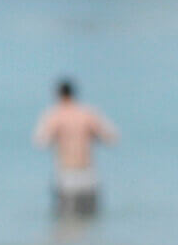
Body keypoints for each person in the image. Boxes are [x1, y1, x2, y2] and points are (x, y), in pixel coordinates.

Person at [31, 77, 117, 217]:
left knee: (66, 220)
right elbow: (111, 138)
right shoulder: (88, 114)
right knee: (91, 218)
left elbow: (40, 142)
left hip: (66, 174)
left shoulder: (54, 116)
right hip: (88, 173)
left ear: (58, 95)